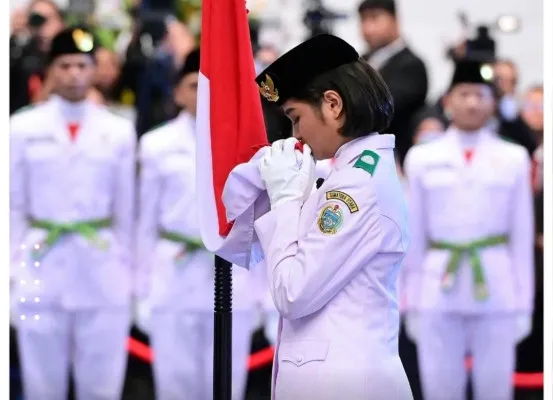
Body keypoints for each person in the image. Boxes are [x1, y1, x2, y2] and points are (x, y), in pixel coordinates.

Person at [252, 33, 412, 399]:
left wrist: (287, 201)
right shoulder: (350, 172)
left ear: (333, 104)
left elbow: (292, 292)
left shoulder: (353, 186)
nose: (296, 135)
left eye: (296, 117)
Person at [10, 27, 136, 400]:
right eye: (64, 65)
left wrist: (131, 276)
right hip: (38, 267)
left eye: (82, 65)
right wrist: (9, 274)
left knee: (101, 385)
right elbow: (13, 205)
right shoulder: (22, 126)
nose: (74, 74)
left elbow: (127, 210)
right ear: (51, 70)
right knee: (40, 385)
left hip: (101, 269)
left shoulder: (119, 130)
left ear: (95, 69)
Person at [403, 60, 534, 400]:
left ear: (492, 102)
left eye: (480, 95)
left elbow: (521, 234)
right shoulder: (421, 158)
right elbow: (413, 233)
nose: (473, 103)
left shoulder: (514, 157)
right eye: (464, 94)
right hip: (437, 286)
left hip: (497, 284)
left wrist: (524, 303)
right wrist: (410, 300)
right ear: (448, 101)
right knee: (439, 388)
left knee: (495, 389)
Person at [136, 48, 258, 400]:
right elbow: (145, 220)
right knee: (175, 384)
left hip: (233, 268)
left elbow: (260, 220)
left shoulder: (246, 144)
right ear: (177, 92)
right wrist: (142, 288)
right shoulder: (156, 144)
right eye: (193, 85)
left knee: (228, 384)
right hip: (174, 270)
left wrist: (265, 293)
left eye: (209, 86)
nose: (202, 94)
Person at [357, 0, 428, 166]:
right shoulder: (360, 61)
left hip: (397, 158)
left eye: (374, 18)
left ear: (395, 20)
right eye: (363, 20)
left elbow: (389, 108)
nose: (368, 28)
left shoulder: (411, 64)